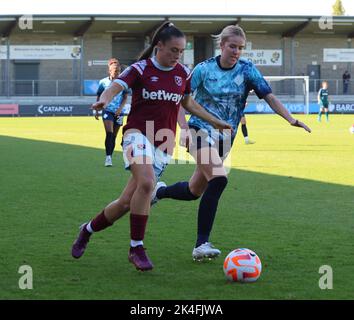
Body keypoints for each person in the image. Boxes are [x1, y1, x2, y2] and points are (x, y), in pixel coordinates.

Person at [71, 22, 232, 271]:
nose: (177, 55)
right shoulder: (140, 69)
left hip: (164, 142)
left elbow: (188, 103)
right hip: (137, 134)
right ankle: (136, 248)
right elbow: (116, 86)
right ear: (159, 46)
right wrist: (103, 100)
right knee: (147, 183)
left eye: (181, 51)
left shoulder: (182, 73)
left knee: (126, 202)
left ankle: (87, 229)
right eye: (173, 50)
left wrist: (215, 121)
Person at [151, 25, 311, 261]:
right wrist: (183, 129)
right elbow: (179, 100)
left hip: (226, 138)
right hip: (200, 131)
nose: (236, 51)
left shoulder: (247, 70)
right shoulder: (204, 69)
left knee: (195, 191)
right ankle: (201, 244)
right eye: (233, 46)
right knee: (219, 178)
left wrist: (291, 119)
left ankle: (160, 191)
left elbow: (269, 96)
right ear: (222, 45)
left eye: (241, 48)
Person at [95, 58, 129, 167]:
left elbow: (125, 97)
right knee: (109, 133)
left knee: (114, 136)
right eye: (115, 71)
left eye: (119, 71)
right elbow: (99, 95)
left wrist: (120, 109)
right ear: (110, 71)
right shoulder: (103, 82)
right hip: (107, 110)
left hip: (119, 112)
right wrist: (97, 109)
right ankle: (108, 157)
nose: (117, 73)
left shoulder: (123, 82)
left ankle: (110, 155)